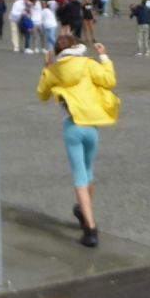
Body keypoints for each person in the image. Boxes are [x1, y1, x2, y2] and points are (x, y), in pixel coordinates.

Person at [37, 34, 118, 248]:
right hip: (92, 125)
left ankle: (90, 229)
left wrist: (47, 66)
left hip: (72, 126)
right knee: (89, 173)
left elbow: (42, 94)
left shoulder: (55, 70)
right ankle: (84, 210)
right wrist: (104, 56)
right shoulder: (88, 64)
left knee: (79, 177)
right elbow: (109, 81)